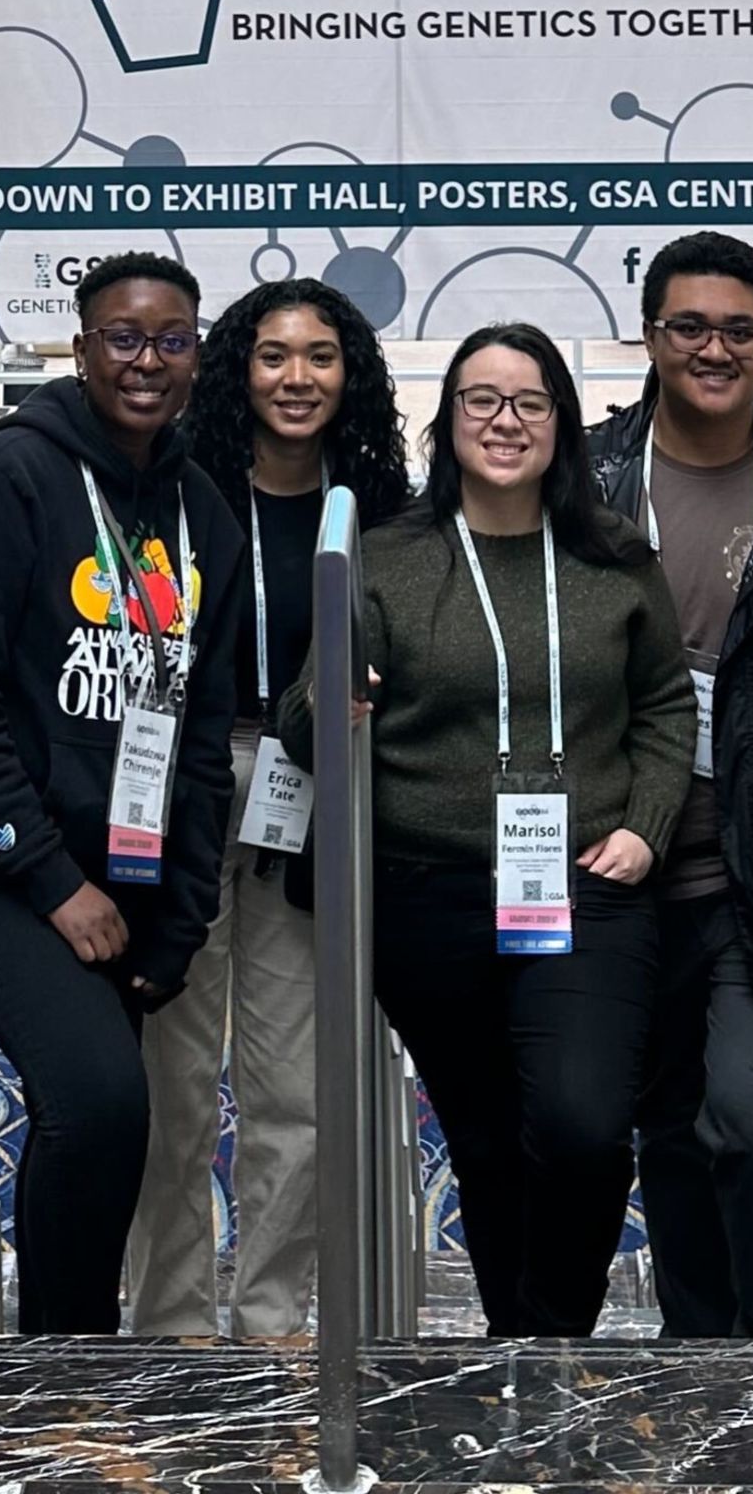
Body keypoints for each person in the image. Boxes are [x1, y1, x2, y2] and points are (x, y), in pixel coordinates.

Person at [282, 323, 696, 1336]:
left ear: (559, 420)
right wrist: (330, 701)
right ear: (447, 419)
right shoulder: (384, 560)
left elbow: (665, 706)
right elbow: (302, 719)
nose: (503, 421)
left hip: (583, 882)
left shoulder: (612, 555)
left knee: (584, 1124)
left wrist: (644, 823)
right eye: (480, 400)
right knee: (483, 1139)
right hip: (427, 892)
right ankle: (520, 1361)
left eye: (527, 401)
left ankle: (552, 1334)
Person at [0, 251, 243, 1334]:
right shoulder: (5, 484)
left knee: (92, 1117)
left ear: (196, 352)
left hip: (128, 868)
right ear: (81, 348)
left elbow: (196, 740)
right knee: (98, 1101)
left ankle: (57, 1355)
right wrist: (54, 881)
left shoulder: (200, 514)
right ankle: (65, 1361)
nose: (147, 359)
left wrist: (179, 916)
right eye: (124, 337)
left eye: (171, 338)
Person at [129, 278, 410, 1338]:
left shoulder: (373, 505)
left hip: (315, 788)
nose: (297, 378)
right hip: (186, 780)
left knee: (296, 1084)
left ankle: (273, 1319)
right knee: (175, 1083)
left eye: (321, 357)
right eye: (274, 355)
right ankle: (170, 1323)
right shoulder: (178, 486)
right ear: (237, 367)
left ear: (351, 375)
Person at [586, 231, 753, 1338]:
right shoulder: (584, 476)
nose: (711, 347)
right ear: (647, 336)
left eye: (737, 329)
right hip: (619, 869)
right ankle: (700, 1365)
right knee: (667, 1131)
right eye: (687, 325)